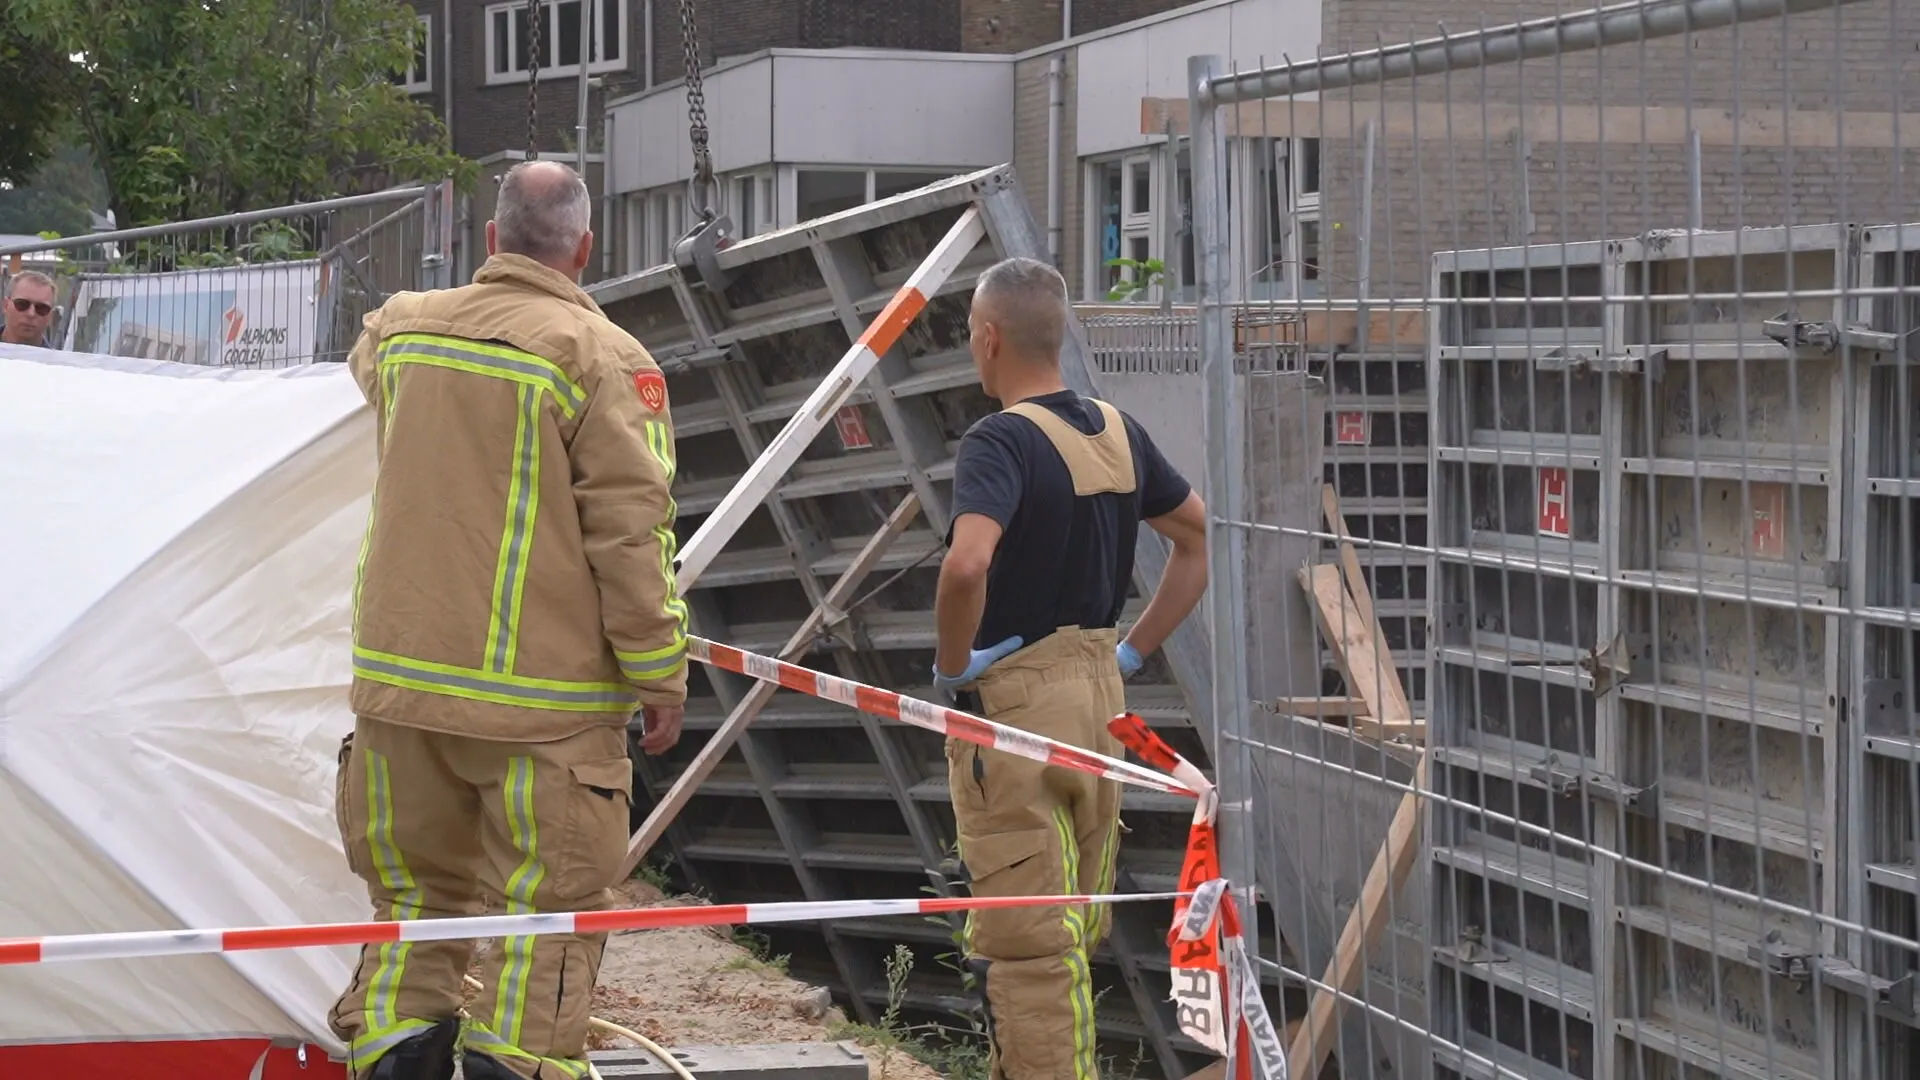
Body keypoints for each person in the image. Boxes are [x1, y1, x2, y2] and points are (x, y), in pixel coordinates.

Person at [329, 160, 690, 1080]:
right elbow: (631, 536)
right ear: (586, 249)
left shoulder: (402, 333)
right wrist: (660, 674)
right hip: (545, 711)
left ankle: (393, 1060)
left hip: (400, 696)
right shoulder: (603, 359)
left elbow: (372, 359)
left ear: (491, 242)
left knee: (413, 904)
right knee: (546, 922)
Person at [931, 256, 1210, 1080]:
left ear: (988, 339)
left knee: (1028, 949)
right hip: (1102, 704)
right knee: (1073, 932)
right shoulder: (1117, 430)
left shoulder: (1000, 440)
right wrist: (1130, 649)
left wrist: (954, 666)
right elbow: (1194, 540)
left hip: (1018, 707)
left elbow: (966, 565)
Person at [0, 270, 58, 347]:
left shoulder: (58, 359)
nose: (31, 314)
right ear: (6, 305)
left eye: (42, 308)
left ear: (51, 316)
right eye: (22, 304)